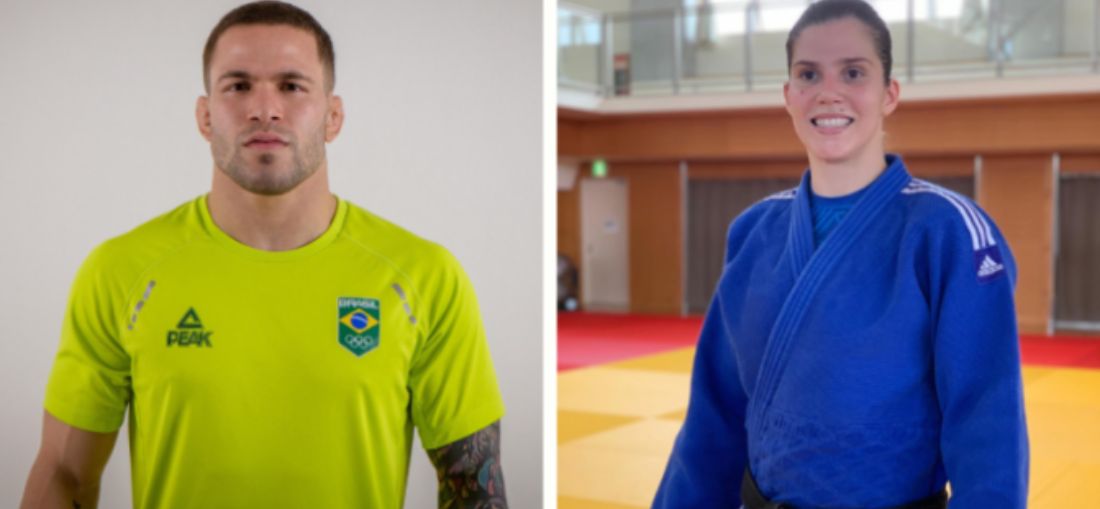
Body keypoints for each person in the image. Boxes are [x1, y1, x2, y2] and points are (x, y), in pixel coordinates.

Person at [19, 2, 507, 508]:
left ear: (333, 116)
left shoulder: (424, 278)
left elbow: (472, 482)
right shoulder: (120, 273)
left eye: (291, 86)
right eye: (238, 86)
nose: (265, 109)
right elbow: (64, 474)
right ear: (205, 116)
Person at [652, 1, 1028, 508]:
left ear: (889, 93)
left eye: (853, 72)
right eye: (809, 74)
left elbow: (989, 430)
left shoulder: (950, 232)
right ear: (788, 95)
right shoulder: (754, 232)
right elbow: (712, 418)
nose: (828, 92)